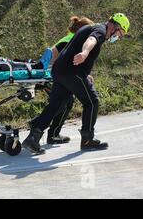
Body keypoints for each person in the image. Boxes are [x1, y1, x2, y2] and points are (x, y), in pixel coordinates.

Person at [22, 13, 130, 154]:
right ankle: (87, 140)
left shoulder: (93, 27)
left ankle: (33, 137)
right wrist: (85, 53)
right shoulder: (101, 30)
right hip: (73, 71)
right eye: (120, 33)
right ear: (114, 26)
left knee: (57, 104)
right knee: (92, 101)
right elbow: (91, 40)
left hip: (60, 70)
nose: (119, 37)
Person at [38, 16, 94, 144]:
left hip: (50, 72)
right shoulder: (73, 40)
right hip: (52, 74)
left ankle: (46, 130)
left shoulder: (70, 37)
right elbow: (68, 62)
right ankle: (48, 131)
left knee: (62, 102)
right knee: (65, 102)